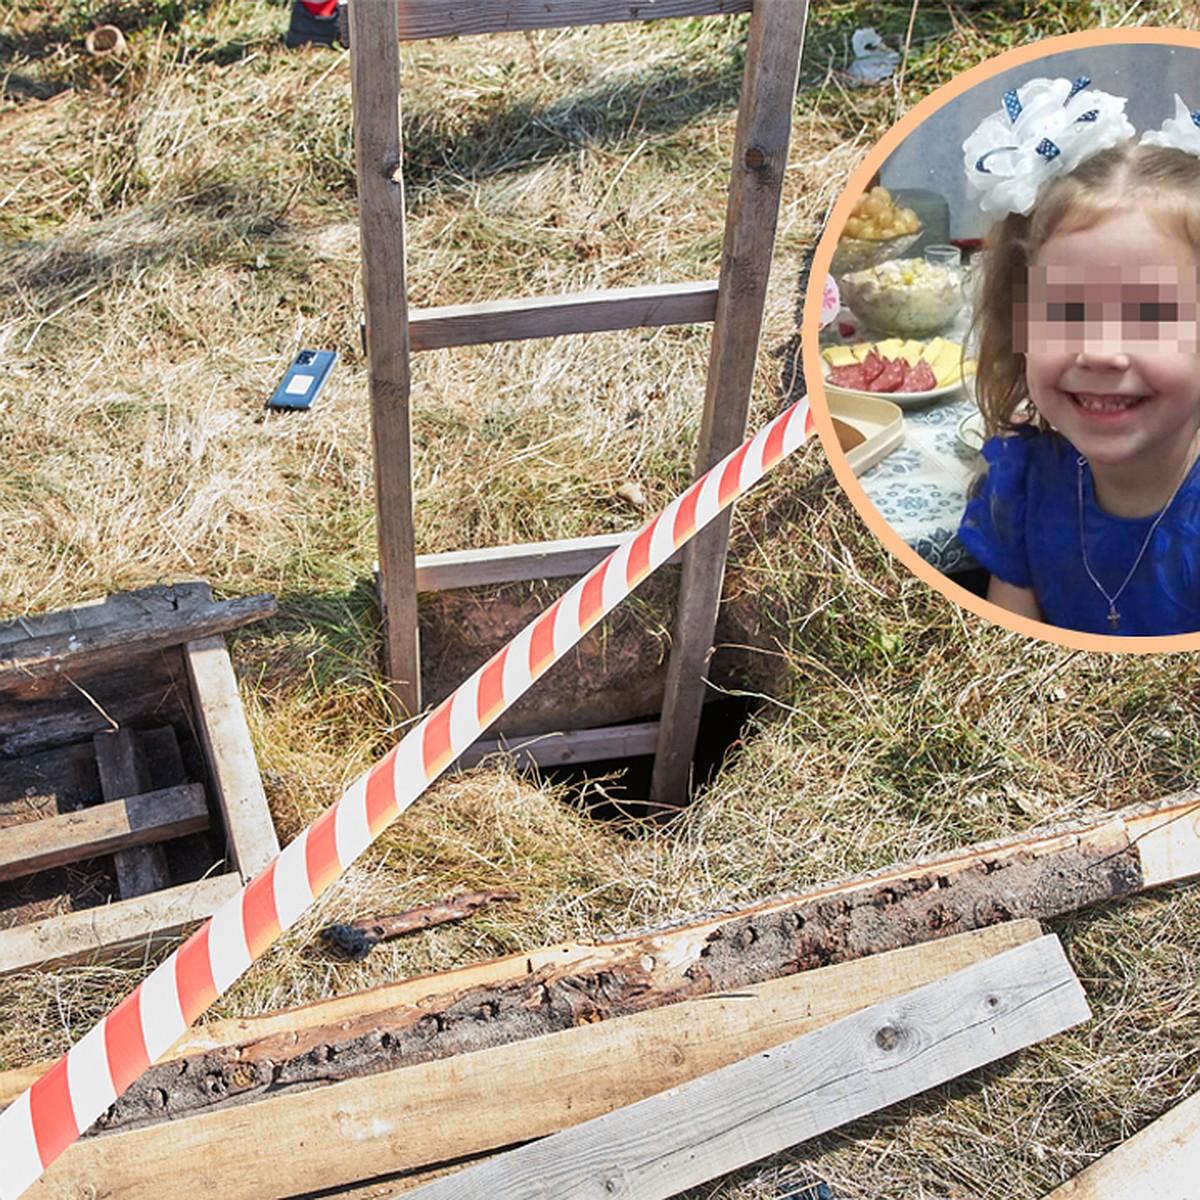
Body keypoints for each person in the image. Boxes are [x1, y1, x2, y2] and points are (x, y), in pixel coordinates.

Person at [957, 77, 1200, 636]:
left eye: (1149, 316)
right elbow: (1006, 667)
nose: (1100, 352)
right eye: (1067, 311)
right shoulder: (1021, 488)